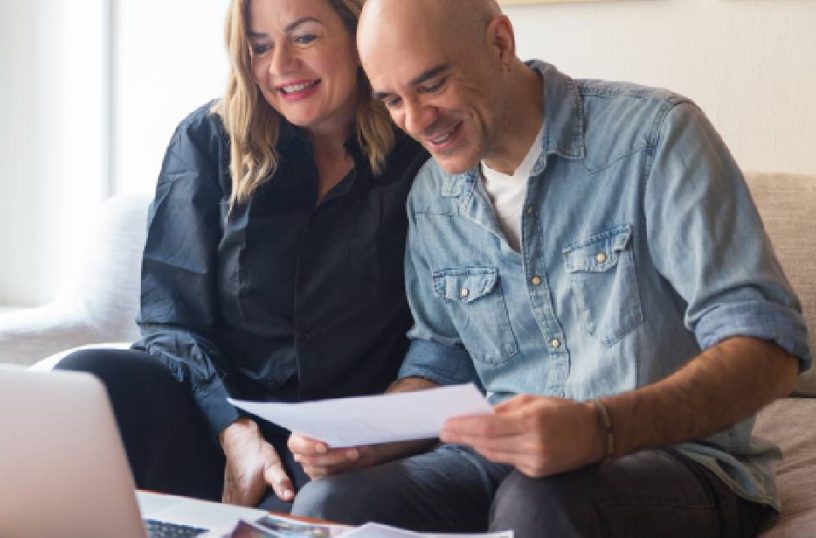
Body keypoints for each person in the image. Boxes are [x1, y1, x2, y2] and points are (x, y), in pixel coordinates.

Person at [288, 0, 812, 535]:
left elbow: (769, 347)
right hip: (505, 465)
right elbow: (443, 359)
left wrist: (599, 429)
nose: (417, 121)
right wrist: (371, 435)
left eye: (433, 84)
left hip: (677, 461)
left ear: (499, 43)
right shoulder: (431, 197)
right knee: (326, 504)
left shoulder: (655, 138)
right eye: (393, 101)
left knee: (538, 503)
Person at [54, 0, 427, 512]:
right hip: (214, 417)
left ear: (358, 33)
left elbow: (437, 334)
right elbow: (171, 321)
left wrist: (374, 431)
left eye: (304, 37)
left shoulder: (419, 153)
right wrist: (235, 431)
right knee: (87, 376)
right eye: (259, 47)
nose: (280, 67)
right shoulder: (206, 140)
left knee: (304, 505)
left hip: (337, 438)